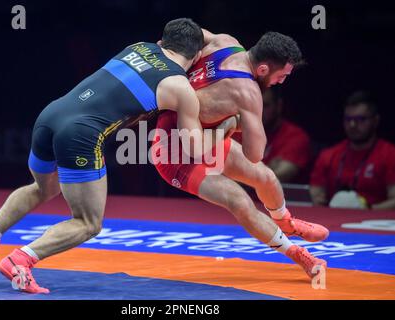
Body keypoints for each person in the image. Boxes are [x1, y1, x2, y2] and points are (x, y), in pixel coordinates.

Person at [0, 18, 237, 294]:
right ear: (197, 55)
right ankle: (21, 259)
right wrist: (226, 127)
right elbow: (194, 148)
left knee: (43, 188)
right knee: (88, 223)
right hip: (80, 135)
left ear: (161, 43)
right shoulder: (180, 87)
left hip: (50, 116)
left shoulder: (138, 47)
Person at [152, 29, 328, 279]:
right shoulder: (248, 94)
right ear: (264, 69)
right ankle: (297, 253)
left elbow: (192, 32)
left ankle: (286, 222)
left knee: (265, 177)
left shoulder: (225, 42)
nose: (282, 82)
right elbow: (254, 152)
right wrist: (236, 122)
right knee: (238, 200)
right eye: (282, 76)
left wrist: (164, 46)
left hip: (205, 138)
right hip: (174, 153)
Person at [310, 91, 395, 210]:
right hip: (333, 220)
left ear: (375, 121)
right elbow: (316, 194)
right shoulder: (328, 156)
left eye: (360, 119)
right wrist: (318, 199)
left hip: (376, 222)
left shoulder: (390, 155)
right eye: (348, 119)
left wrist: (367, 210)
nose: (353, 124)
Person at [233, 86, 311, 183]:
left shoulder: (295, 137)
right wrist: (267, 169)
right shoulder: (236, 132)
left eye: (265, 105)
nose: (258, 111)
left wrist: (238, 171)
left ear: (279, 106)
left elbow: (276, 177)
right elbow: (218, 172)